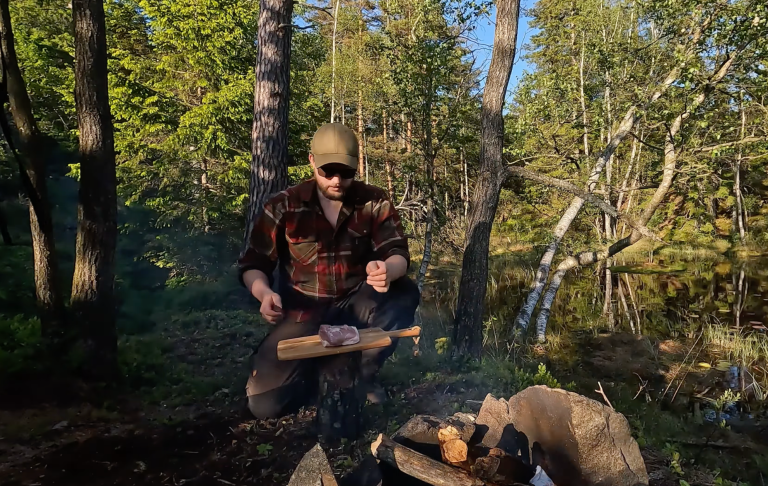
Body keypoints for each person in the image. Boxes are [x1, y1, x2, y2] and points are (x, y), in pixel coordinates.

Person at [238, 122, 420, 419]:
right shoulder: (284, 206)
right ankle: (321, 370)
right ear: (312, 161)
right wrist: (264, 293)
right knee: (265, 405)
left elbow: (397, 252)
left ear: (356, 166)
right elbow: (254, 263)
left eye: (346, 172)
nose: (337, 180)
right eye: (328, 171)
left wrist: (387, 270)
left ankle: (363, 374)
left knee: (404, 292)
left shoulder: (374, 201)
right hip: (303, 312)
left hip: (356, 304)